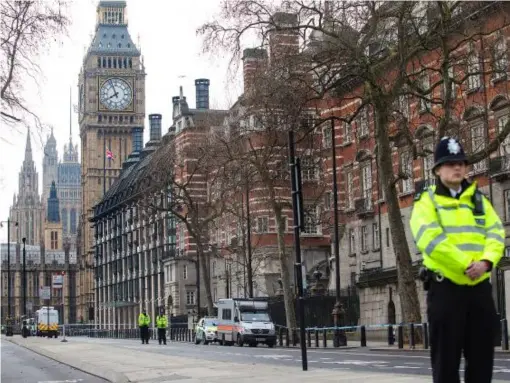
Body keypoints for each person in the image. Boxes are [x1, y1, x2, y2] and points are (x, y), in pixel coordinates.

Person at [410, 136, 505, 383]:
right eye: (451, 163)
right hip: (445, 291)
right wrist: (466, 264)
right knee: (446, 366)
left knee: (482, 364)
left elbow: (496, 234)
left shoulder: (480, 200)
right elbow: (430, 240)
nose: (457, 167)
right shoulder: (426, 201)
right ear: (438, 169)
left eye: (461, 163)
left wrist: (485, 262)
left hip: (479, 291)